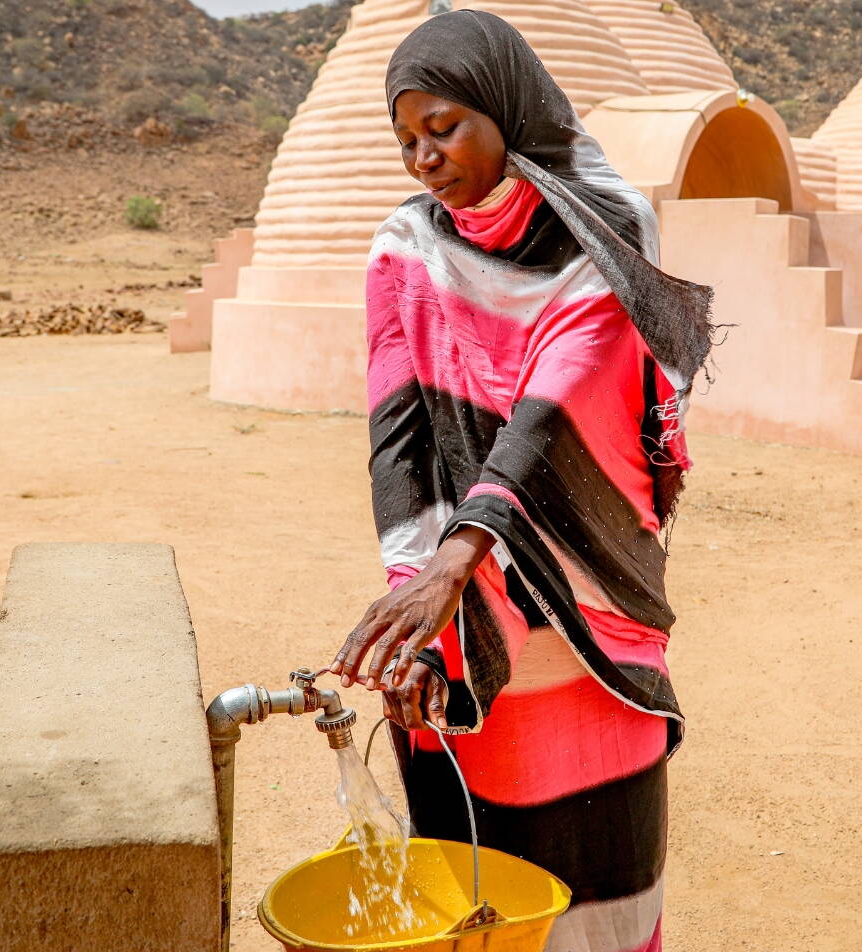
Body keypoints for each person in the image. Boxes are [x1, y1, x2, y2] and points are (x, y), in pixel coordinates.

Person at [327, 10, 715, 950]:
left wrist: (455, 560)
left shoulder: (604, 228)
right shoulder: (405, 247)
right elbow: (398, 431)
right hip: (459, 608)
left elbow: (556, 408)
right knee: (474, 881)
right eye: (407, 139)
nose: (424, 158)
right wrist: (417, 593)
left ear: (504, 107)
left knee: (599, 870)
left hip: (587, 592)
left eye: (445, 127)